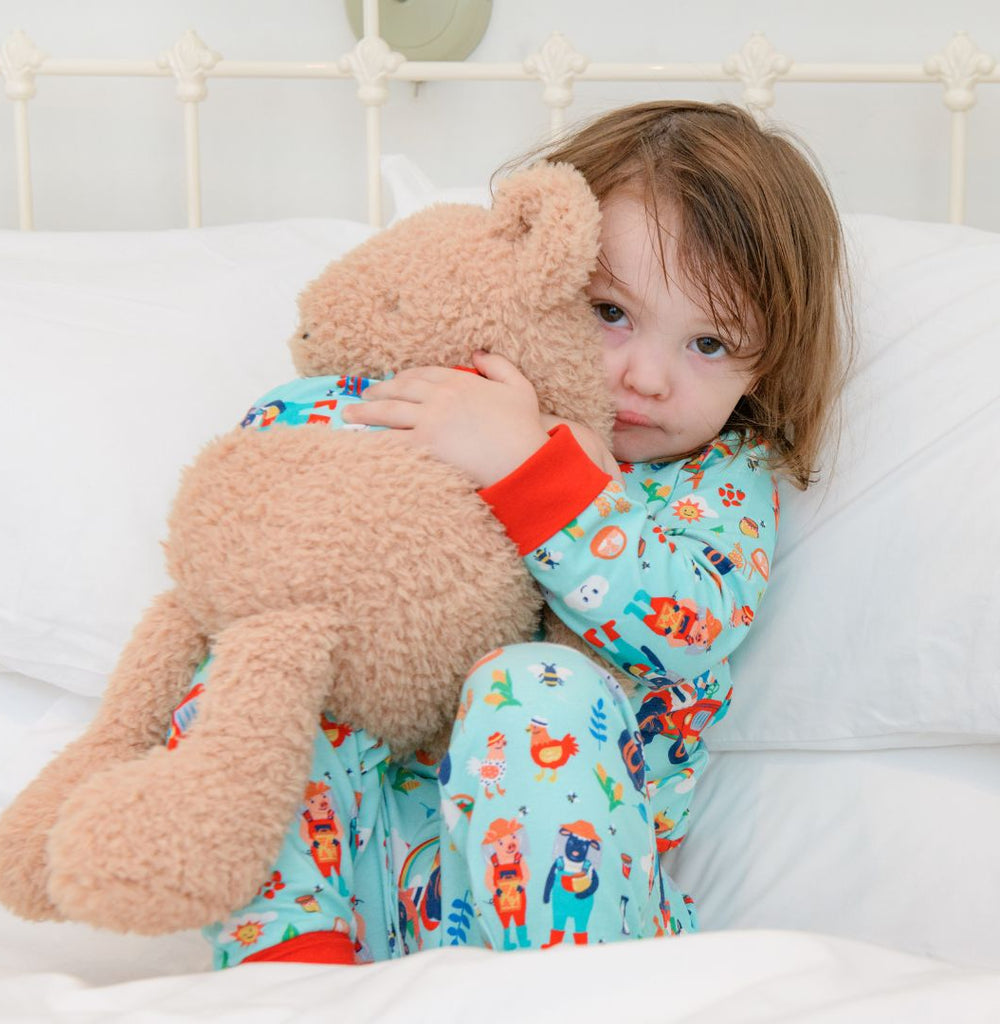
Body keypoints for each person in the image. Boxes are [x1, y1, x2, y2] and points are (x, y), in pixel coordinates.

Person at [205, 100, 850, 966]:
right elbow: (295, 456)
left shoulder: (715, 479)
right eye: (611, 313)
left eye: (707, 342)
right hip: (356, 874)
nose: (645, 378)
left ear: (766, 362)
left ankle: (557, 998)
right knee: (270, 647)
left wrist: (531, 469)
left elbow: (685, 622)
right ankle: (287, 972)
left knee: (537, 682)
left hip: (560, 904)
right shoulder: (463, 389)